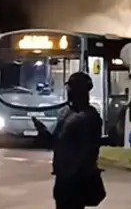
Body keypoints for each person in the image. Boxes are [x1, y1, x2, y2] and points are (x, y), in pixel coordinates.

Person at [31, 72, 105, 209]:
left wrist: (75, 171)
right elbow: (55, 140)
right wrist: (43, 132)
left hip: (76, 180)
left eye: (72, 88)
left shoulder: (90, 116)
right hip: (63, 178)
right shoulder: (66, 111)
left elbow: (90, 149)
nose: (69, 92)